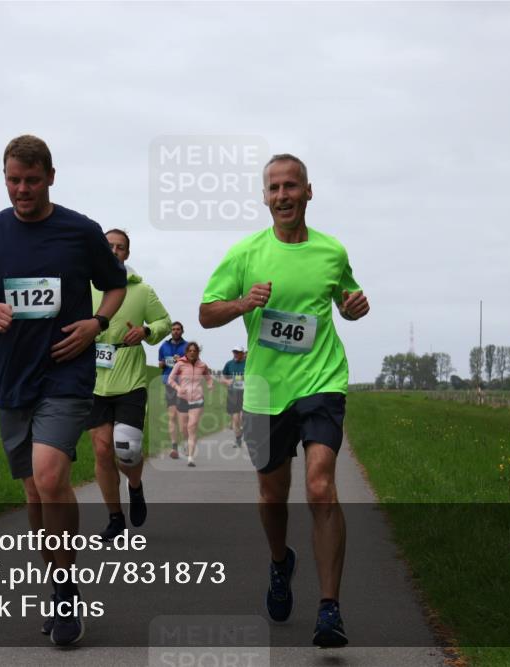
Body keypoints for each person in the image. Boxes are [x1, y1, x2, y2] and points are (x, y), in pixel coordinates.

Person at [0, 135, 126, 647]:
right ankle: (57, 579)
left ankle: (67, 592)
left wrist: (97, 323)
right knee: (32, 491)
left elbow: (115, 283)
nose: (21, 190)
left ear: (50, 176)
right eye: (13, 180)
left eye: (31, 179)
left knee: (50, 477)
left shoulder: (80, 231)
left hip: (66, 373)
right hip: (12, 380)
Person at [198, 153, 369, 648]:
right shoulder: (245, 253)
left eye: (290, 187)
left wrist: (356, 307)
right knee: (273, 496)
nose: (282, 196)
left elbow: (348, 302)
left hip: (321, 382)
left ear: (308, 192)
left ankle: (329, 609)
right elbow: (207, 313)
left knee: (320, 487)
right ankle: (280, 563)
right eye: (273, 188)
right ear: (264, 196)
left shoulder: (331, 252)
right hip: (265, 390)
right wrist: (241, 304)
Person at [86, 229, 171, 542]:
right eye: (108, 246)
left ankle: (135, 486)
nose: (114, 251)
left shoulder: (141, 290)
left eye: (120, 247)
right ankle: (114, 517)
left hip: (130, 379)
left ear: (127, 254)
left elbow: (164, 322)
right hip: (94, 381)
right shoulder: (85, 287)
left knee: (127, 449)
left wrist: (146, 332)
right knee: (101, 449)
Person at [166, 342, 214, 467]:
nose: (192, 352)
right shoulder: (179, 364)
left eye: (195, 350)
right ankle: (187, 443)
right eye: (190, 350)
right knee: (183, 428)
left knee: (192, 426)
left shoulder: (202, 365)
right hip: (182, 398)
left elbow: (208, 378)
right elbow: (170, 379)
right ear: (186, 352)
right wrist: (178, 388)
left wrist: (210, 386)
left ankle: (191, 458)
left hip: (197, 399)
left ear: (198, 352)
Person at [158, 322, 188, 458]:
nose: (175, 331)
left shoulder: (187, 347)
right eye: (173, 329)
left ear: (182, 331)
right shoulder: (164, 346)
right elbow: (160, 364)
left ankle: (186, 444)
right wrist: (164, 362)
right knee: (172, 416)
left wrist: (181, 360)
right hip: (169, 384)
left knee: (183, 418)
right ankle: (174, 447)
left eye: (178, 329)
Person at [220, 346, 247, 447]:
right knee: (235, 420)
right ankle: (238, 438)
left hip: (246, 395)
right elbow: (222, 377)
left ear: (242, 353)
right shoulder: (229, 364)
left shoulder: (247, 363)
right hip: (233, 395)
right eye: (234, 352)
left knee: (243, 418)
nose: (235, 354)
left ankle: (243, 432)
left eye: (238, 352)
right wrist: (227, 381)